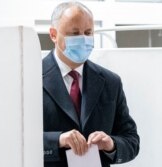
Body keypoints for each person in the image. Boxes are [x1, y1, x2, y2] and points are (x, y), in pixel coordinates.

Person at [43, 1, 140, 167]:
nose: (83, 39)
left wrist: (111, 144)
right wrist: (58, 140)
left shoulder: (111, 82)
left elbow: (131, 140)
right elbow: (16, 139)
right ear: (53, 34)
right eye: (74, 34)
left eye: (88, 32)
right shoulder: (29, 80)